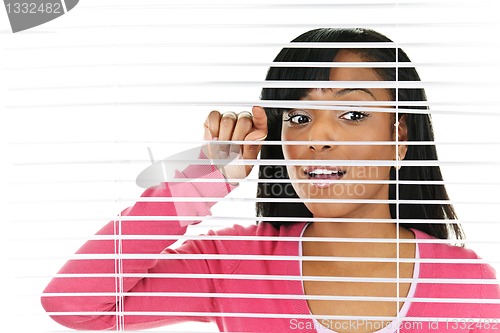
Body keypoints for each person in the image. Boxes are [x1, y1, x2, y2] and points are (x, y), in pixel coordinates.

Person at [41, 28, 500, 332]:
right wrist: (207, 178)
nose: (317, 138)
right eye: (298, 116)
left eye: (353, 113)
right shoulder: (233, 262)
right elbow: (74, 303)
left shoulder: (470, 284)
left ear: (399, 136)